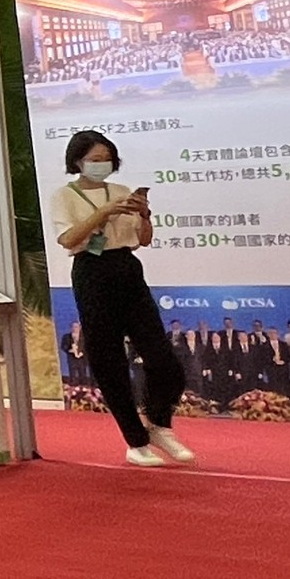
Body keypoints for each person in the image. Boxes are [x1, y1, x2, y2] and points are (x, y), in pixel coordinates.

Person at [54, 130, 193, 466]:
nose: (102, 165)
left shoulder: (120, 191)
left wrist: (144, 215)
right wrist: (103, 213)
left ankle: (158, 423)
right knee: (109, 360)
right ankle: (135, 441)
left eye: (107, 159)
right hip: (91, 270)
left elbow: (143, 240)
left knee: (163, 358)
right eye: (94, 159)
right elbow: (68, 239)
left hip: (127, 267)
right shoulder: (64, 195)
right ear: (77, 161)